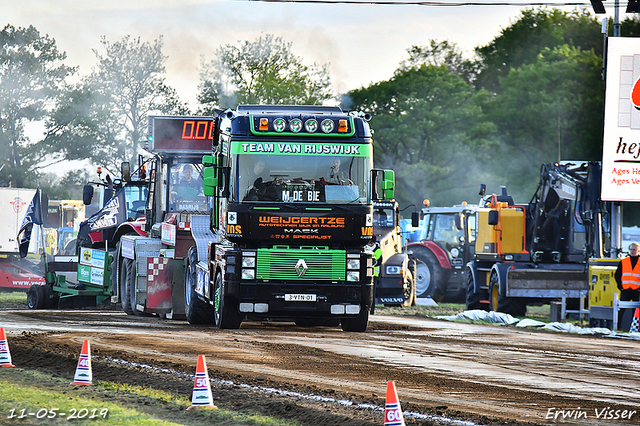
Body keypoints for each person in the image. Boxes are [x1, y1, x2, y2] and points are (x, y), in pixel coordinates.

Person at [615, 242, 640, 330]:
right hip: (625, 289)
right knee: (621, 310)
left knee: (636, 311)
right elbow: (617, 275)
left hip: (636, 290)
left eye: (634, 250)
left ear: (638, 250)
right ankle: (619, 328)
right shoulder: (624, 261)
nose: (632, 251)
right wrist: (620, 287)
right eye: (631, 249)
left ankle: (634, 328)